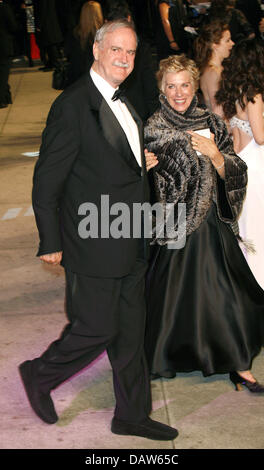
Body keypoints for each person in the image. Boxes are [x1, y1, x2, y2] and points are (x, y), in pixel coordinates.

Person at [18, 19, 178, 441]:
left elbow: (110, 160)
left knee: (130, 333)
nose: (124, 59)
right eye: (116, 50)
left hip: (130, 235)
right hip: (92, 239)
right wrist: (50, 240)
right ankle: (39, 374)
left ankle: (131, 414)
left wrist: (137, 163)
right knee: (97, 328)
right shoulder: (72, 106)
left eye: (130, 52)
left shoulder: (127, 100)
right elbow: (46, 180)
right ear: (96, 50)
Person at [144, 54, 264, 392]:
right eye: (171, 86)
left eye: (185, 85)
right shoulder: (153, 128)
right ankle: (161, 357)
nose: (179, 93)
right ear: (162, 89)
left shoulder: (210, 121)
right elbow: (143, 184)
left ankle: (238, 364)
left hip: (212, 223)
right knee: (172, 301)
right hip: (176, 227)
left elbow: (234, 169)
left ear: (195, 87)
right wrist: (144, 169)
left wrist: (215, 156)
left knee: (228, 295)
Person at [216, 38, 264, 291]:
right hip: (257, 166)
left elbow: (233, 138)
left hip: (241, 164)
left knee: (247, 226)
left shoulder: (232, 93)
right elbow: (261, 136)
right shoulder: (253, 94)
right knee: (257, 228)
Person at [104, 0, 159, 122]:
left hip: (110, 117)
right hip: (138, 114)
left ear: (106, 22)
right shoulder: (141, 48)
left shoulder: (99, 50)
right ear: (129, 18)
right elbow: (151, 87)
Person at [194, 20, 234, 115]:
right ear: (214, 45)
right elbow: (217, 109)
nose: (232, 43)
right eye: (227, 40)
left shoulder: (217, 69)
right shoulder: (212, 72)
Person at [64, 1, 104, 87]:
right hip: (99, 77)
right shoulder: (104, 35)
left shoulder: (74, 33)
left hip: (77, 78)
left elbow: (68, 53)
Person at [0, 0, 17, 108]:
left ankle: (6, 96)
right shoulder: (4, 8)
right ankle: (2, 98)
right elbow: (13, 26)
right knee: (3, 73)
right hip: (3, 44)